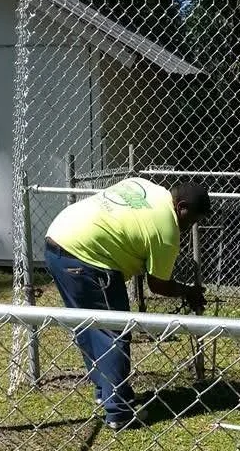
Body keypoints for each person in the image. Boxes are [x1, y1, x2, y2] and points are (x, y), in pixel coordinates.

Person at [44, 177, 211, 430]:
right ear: (182, 207)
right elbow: (158, 285)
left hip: (58, 238)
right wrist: (188, 292)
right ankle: (119, 412)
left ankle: (107, 391)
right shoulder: (167, 230)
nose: (191, 227)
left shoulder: (145, 185)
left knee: (88, 325)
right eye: (193, 220)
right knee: (114, 331)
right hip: (89, 258)